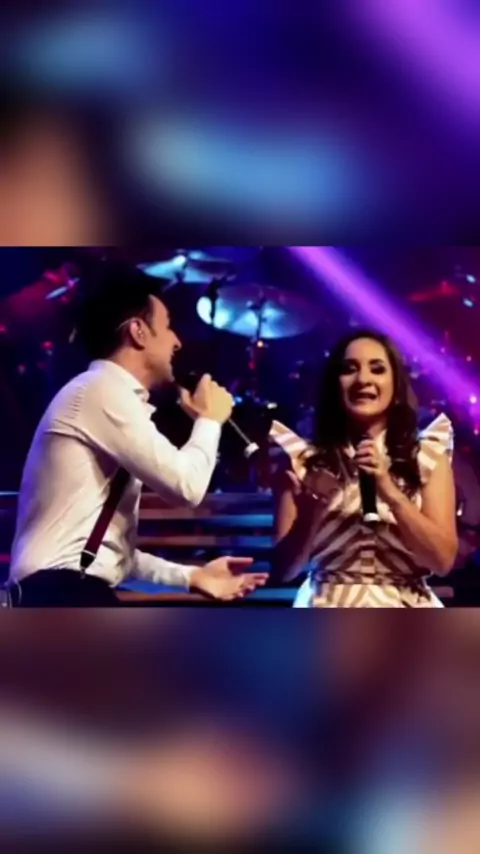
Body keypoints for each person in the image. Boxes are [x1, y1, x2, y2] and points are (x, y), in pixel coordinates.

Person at [8, 262, 268, 606]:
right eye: (167, 326)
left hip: (68, 590)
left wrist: (191, 576)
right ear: (138, 332)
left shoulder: (107, 397)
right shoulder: (100, 390)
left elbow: (112, 557)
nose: (177, 341)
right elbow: (186, 487)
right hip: (58, 592)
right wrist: (210, 420)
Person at [270, 330, 458, 607]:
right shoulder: (302, 459)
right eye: (349, 369)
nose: (363, 380)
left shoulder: (427, 456)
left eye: (377, 369)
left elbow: (442, 562)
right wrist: (310, 514)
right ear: (335, 384)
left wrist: (391, 492)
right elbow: (283, 571)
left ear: (396, 384)